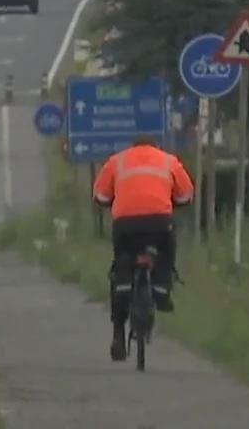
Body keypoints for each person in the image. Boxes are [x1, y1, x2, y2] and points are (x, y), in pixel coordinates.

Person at [90, 132, 194, 361]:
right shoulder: (169, 161)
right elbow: (187, 195)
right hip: (159, 223)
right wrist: (173, 201)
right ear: (154, 146)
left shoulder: (117, 161)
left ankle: (118, 332)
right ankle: (162, 289)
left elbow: (100, 195)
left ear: (132, 146)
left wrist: (110, 202)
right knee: (166, 252)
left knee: (120, 267)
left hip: (126, 225)